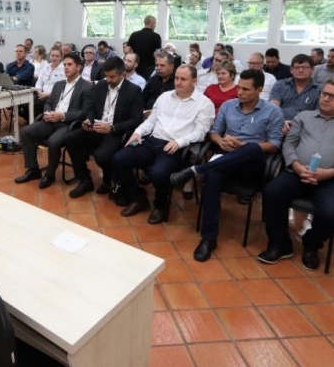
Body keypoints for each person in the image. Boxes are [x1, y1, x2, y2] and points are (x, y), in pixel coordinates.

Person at [170, 69, 284, 262]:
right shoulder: (228, 106)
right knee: (212, 177)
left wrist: (244, 146)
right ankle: (209, 238)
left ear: (259, 90)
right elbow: (214, 132)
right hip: (225, 157)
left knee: (252, 148)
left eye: (246, 89)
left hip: (252, 164)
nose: (240, 92)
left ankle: (196, 169)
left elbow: (274, 144)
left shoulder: (273, 112)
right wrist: (221, 141)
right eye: (239, 87)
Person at [113, 65, 214, 222]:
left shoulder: (204, 103)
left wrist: (180, 142)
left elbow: (200, 133)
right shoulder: (164, 97)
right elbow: (152, 120)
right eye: (177, 78)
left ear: (194, 80)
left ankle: (161, 206)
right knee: (119, 158)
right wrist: (137, 132)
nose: (178, 82)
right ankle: (138, 197)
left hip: (176, 146)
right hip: (153, 140)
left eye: (183, 79)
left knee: (158, 173)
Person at [258, 80, 334, 271]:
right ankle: (280, 244)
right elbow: (289, 143)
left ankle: (311, 244)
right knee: (272, 192)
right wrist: (297, 165)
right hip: (296, 172)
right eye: (324, 93)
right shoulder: (304, 117)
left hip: (328, 178)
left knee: (330, 212)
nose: (325, 98)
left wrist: (328, 173)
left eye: (331, 96)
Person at [65, 56, 143, 198]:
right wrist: (89, 120)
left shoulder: (134, 90)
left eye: (112, 77)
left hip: (116, 131)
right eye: (106, 76)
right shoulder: (101, 85)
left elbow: (136, 120)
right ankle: (84, 180)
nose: (109, 80)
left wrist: (112, 128)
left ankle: (109, 179)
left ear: (122, 74)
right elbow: (91, 109)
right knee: (71, 138)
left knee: (101, 156)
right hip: (97, 127)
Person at [15, 53, 92, 189]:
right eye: (65, 65)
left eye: (69, 65)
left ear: (78, 67)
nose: (66, 68)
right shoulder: (58, 84)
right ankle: (33, 170)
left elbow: (84, 112)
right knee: (26, 132)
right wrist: (47, 112)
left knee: (54, 142)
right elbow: (48, 102)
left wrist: (63, 116)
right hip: (51, 120)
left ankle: (49, 175)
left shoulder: (86, 86)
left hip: (68, 124)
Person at [269, 54, 320, 135]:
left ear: (313, 69)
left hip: (306, 130)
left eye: (305, 67)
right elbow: (273, 107)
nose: (300, 70)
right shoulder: (280, 85)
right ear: (291, 70)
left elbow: (318, 115)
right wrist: (282, 122)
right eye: (296, 67)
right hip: (280, 126)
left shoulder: (319, 90)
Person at [33, 47, 65, 116]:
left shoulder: (64, 70)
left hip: (54, 95)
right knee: (29, 101)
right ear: (50, 56)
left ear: (61, 57)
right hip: (41, 94)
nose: (54, 58)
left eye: (57, 56)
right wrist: (40, 92)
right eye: (52, 55)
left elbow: (62, 88)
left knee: (37, 103)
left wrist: (47, 94)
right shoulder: (46, 67)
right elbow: (39, 83)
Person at [142, 51, 175, 116]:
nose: (159, 68)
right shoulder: (153, 79)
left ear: (171, 66)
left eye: (162, 65)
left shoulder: (177, 81)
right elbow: (143, 98)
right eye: (157, 65)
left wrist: (156, 112)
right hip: (147, 116)